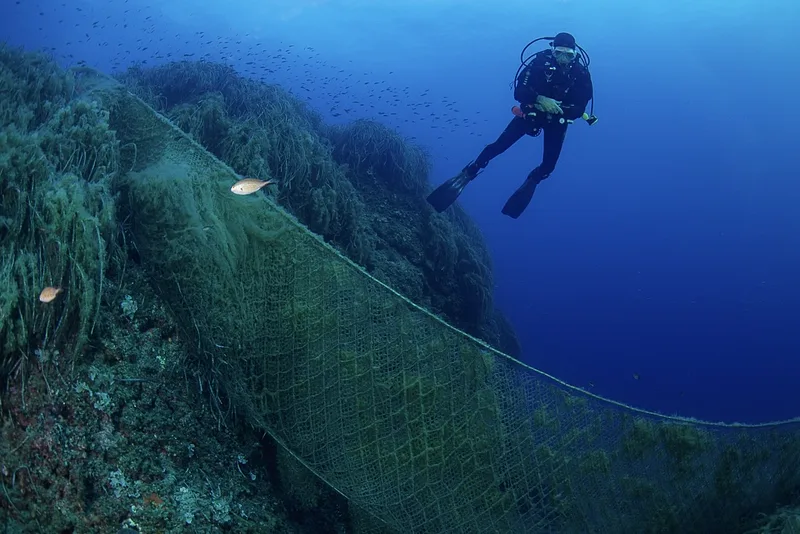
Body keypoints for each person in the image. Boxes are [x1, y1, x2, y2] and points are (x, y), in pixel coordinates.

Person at [427, 32, 595, 218]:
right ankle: (470, 171)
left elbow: (580, 108)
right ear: (552, 51)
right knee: (498, 146)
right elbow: (519, 91)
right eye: (559, 53)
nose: (563, 59)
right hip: (531, 114)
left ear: (575, 54)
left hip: (558, 120)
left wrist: (558, 108)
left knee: (548, 166)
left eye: (568, 55)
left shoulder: (580, 73)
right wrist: (540, 99)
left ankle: (533, 180)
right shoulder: (539, 64)